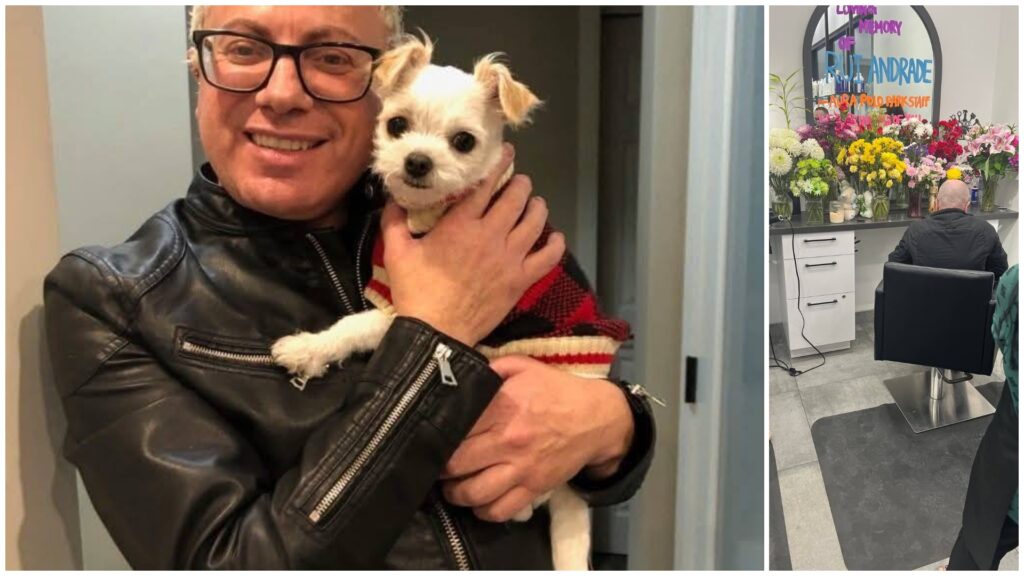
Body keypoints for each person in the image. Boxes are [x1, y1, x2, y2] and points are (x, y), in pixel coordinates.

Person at [43, 6, 654, 569]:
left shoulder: (481, 227)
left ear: (377, 83)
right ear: (198, 68)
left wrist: (615, 424)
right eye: (243, 49)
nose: (281, 94)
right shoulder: (111, 300)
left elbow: (573, 359)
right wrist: (435, 334)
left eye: (331, 57)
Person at [946, 265, 1018, 570]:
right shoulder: (985, 235)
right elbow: (997, 267)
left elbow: (1000, 333)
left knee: (979, 539)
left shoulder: (1017, 286)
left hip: (1012, 458)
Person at [887, 179, 1008, 282]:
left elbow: (894, 266)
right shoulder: (986, 230)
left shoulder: (916, 230)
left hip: (924, 305)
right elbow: (1000, 270)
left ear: (937, 203)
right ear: (967, 206)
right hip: (973, 306)